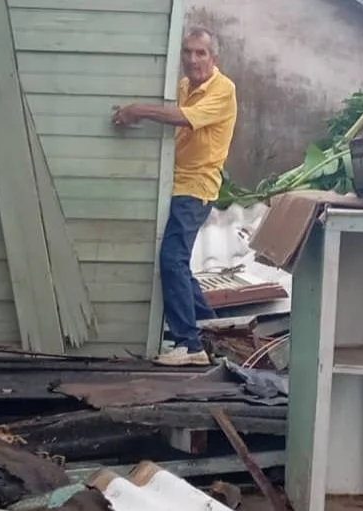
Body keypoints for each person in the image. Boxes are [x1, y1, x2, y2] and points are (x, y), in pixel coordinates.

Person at [111, 27, 238, 366]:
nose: (193, 59)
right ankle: (212, 329)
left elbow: (183, 118)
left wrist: (138, 110)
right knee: (178, 262)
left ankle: (190, 346)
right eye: (188, 52)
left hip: (196, 187)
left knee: (171, 260)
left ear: (214, 58)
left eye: (201, 53)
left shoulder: (223, 89)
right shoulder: (183, 87)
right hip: (176, 183)